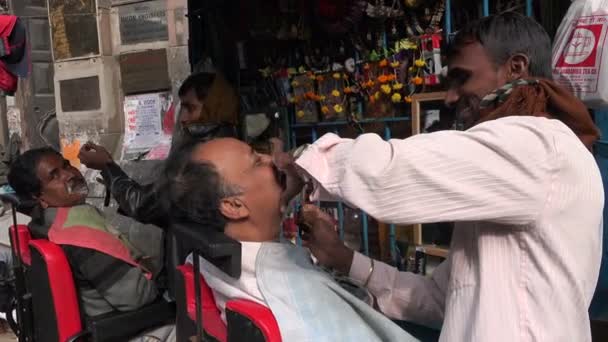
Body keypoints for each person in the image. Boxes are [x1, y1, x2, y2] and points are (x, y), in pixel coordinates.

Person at [274, 12, 603, 342]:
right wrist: (344, 259)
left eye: (463, 78)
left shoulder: (538, 146)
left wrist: (303, 162)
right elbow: (441, 301)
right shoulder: (517, 164)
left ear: (515, 68)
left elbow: (391, 173)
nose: (450, 97)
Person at [159, 138, 420, 342]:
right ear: (234, 206)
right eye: (257, 162)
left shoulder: (210, 259)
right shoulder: (289, 295)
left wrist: (283, 196)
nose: (270, 158)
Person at [7, 148, 174, 341]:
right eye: (55, 176)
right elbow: (137, 298)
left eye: (66, 165)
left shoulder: (43, 224)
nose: (69, 174)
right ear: (39, 197)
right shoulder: (81, 237)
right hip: (123, 331)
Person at [77, 71, 240, 228]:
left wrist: (107, 167)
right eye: (182, 108)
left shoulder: (202, 159)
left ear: (213, 109)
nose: (183, 118)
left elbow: (142, 205)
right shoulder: (233, 148)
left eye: (190, 108)